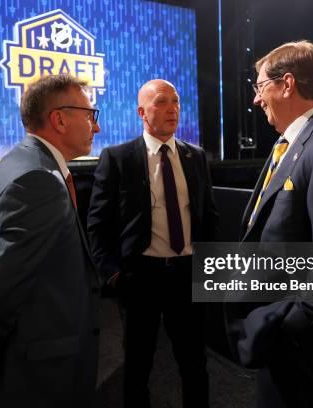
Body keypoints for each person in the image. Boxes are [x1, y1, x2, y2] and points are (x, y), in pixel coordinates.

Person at [0, 74, 102, 407]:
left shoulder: (13, 165)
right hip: (39, 374)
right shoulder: (39, 181)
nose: (96, 127)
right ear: (59, 119)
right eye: (91, 115)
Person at [224, 41, 313, 408]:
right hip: (274, 331)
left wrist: (288, 328)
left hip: (291, 339)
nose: (256, 100)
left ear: (286, 84)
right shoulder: (287, 143)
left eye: (259, 87)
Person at [87, 79, 219, 408]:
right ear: (141, 112)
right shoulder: (117, 158)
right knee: (137, 367)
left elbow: (209, 216)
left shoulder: (196, 156)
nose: (172, 108)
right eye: (162, 102)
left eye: (175, 101)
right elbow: (98, 225)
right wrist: (115, 276)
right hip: (140, 279)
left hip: (188, 276)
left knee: (195, 365)